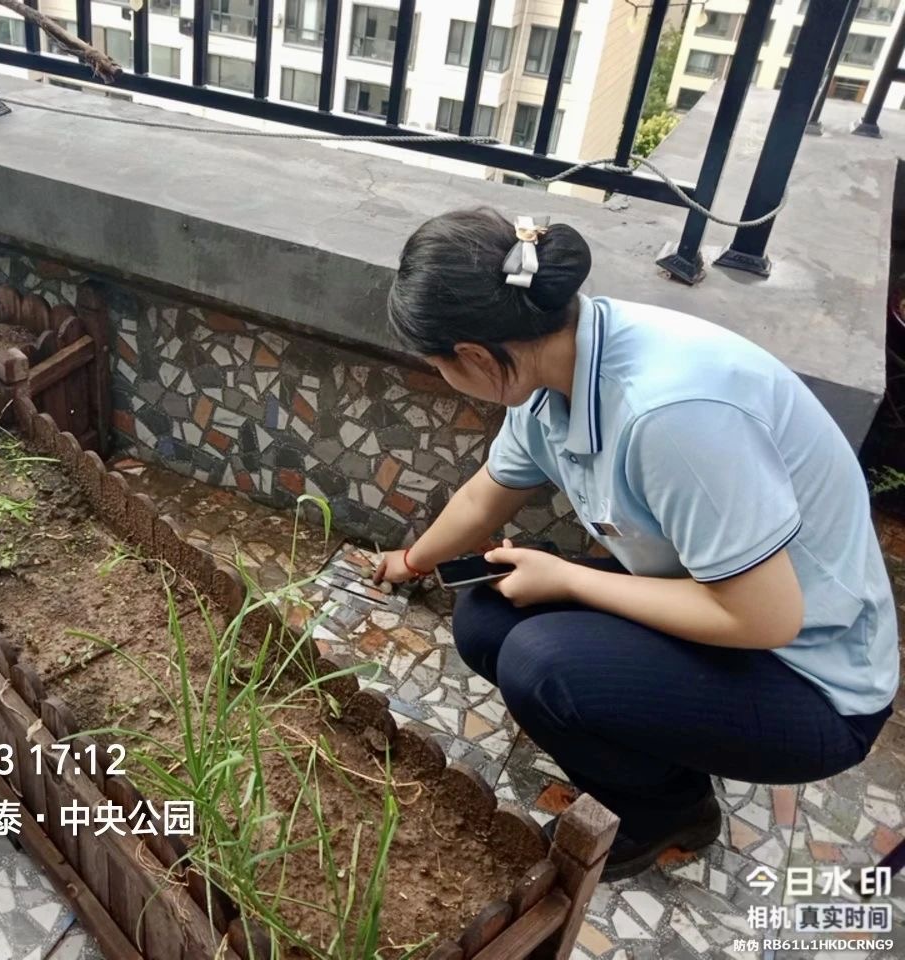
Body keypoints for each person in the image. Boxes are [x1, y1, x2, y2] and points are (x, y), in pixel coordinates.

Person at [372, 207, 898, 880]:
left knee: (543, 662)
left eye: (436, 365)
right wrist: (413, 562)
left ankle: (670, 811)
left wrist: (569, 579)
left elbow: (767, 618)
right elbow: (486, 494)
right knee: (487, 612)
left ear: (474, 357)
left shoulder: (670, 414)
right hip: (728, 616)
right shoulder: (550, 360)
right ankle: (656, 746)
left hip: (813, 682)